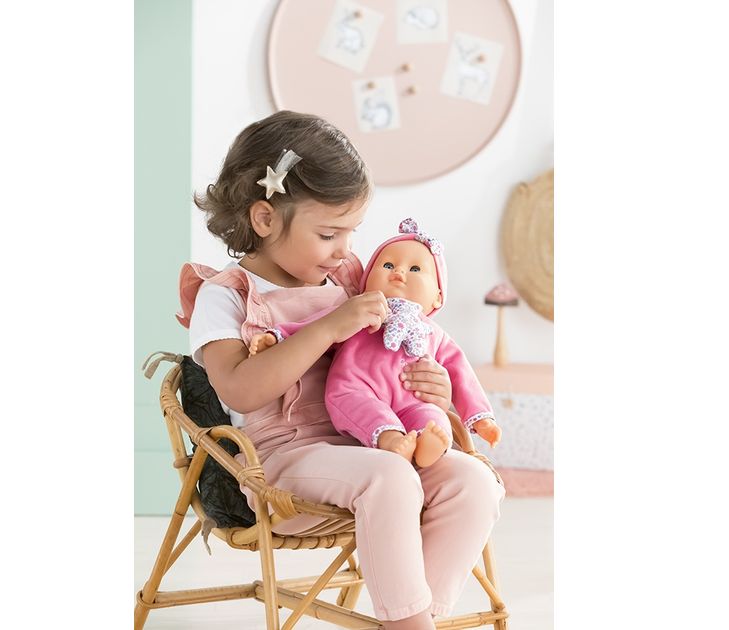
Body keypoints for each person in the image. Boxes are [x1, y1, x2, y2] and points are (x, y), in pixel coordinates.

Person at [176, 110, 504, 629]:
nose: (345, 250)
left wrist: (433, 387)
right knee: (389, 477)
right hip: (283, 464)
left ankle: (418, 618)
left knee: (473, 481)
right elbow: (239, 390)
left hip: (375, 443)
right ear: (265, 219)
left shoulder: (348, 281)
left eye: (352, 232)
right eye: (329, 233)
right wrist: (329, 328)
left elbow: (392, 355)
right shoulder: (226, 296)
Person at [249, 217, 503, 468]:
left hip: (413, 400)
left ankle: (429, 445)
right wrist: (277, 336)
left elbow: (462, 376)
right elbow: (314, 326)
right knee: (362, 407)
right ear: (366, 282)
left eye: (415, 269)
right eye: (388, 265)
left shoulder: (435, 335)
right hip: (356, 388)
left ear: (438, 297)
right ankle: (390, 440)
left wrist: (481, 418)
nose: (399, 273)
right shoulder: (358, 312)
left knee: (434, 417)